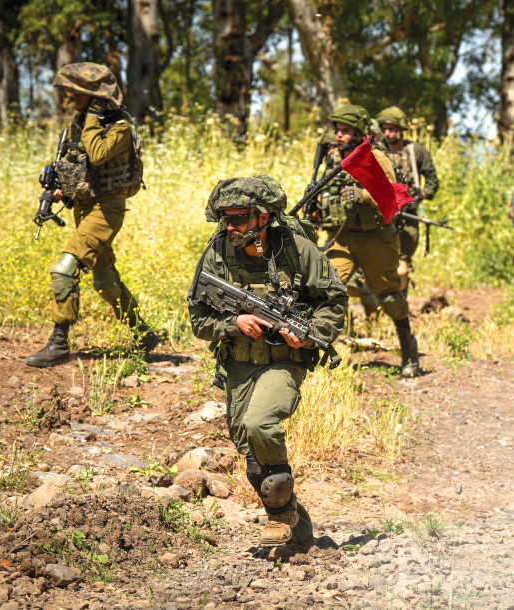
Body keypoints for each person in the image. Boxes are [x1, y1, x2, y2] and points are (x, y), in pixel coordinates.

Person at [188, 175, 347, 557]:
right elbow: (198, 320)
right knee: (254, 458)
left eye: (239, 218)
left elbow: (335, 301)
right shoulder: (218, 254)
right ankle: (300, 530)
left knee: (261, 424)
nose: (230, 226)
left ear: (262, 217)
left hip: (284, 362)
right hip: (239, 365)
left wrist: (308, 335)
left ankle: (278, 516)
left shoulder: (298, 250)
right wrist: (234, 324)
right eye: (226, 218)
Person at [27, 62, 156, 368]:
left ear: (97, 96)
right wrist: (61, 190)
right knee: (105, 282)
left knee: (63, 269)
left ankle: (59, 343)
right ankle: (143, 333)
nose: (72, 96)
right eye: (70, 91)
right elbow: (78, 165)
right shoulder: (79, 124)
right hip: (85, 208)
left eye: (79, 92)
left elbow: (97, 153)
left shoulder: (120, 127)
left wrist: (96, 117)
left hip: (107, 209)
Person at [317, 104, 423, 377]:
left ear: (359, 131)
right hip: (343, 237)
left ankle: (409, 350)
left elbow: (395, 197)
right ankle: (314, 352)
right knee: (327, 288)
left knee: (388, 297)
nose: (339, 135)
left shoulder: (376, 157)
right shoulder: (333, 157)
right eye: (337, 130)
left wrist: (362, 195)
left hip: (376, 237)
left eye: (346, 130)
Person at [376, 106, 439, 293]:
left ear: (402, 129)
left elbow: (433, 180)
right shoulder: (376, 151)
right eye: (384, 129)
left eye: (392, 129)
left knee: (402, 265)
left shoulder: (416, 152)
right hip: (380, 215)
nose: (388, 133)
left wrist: (420, 196)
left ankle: (400, 305)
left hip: (407, 215)